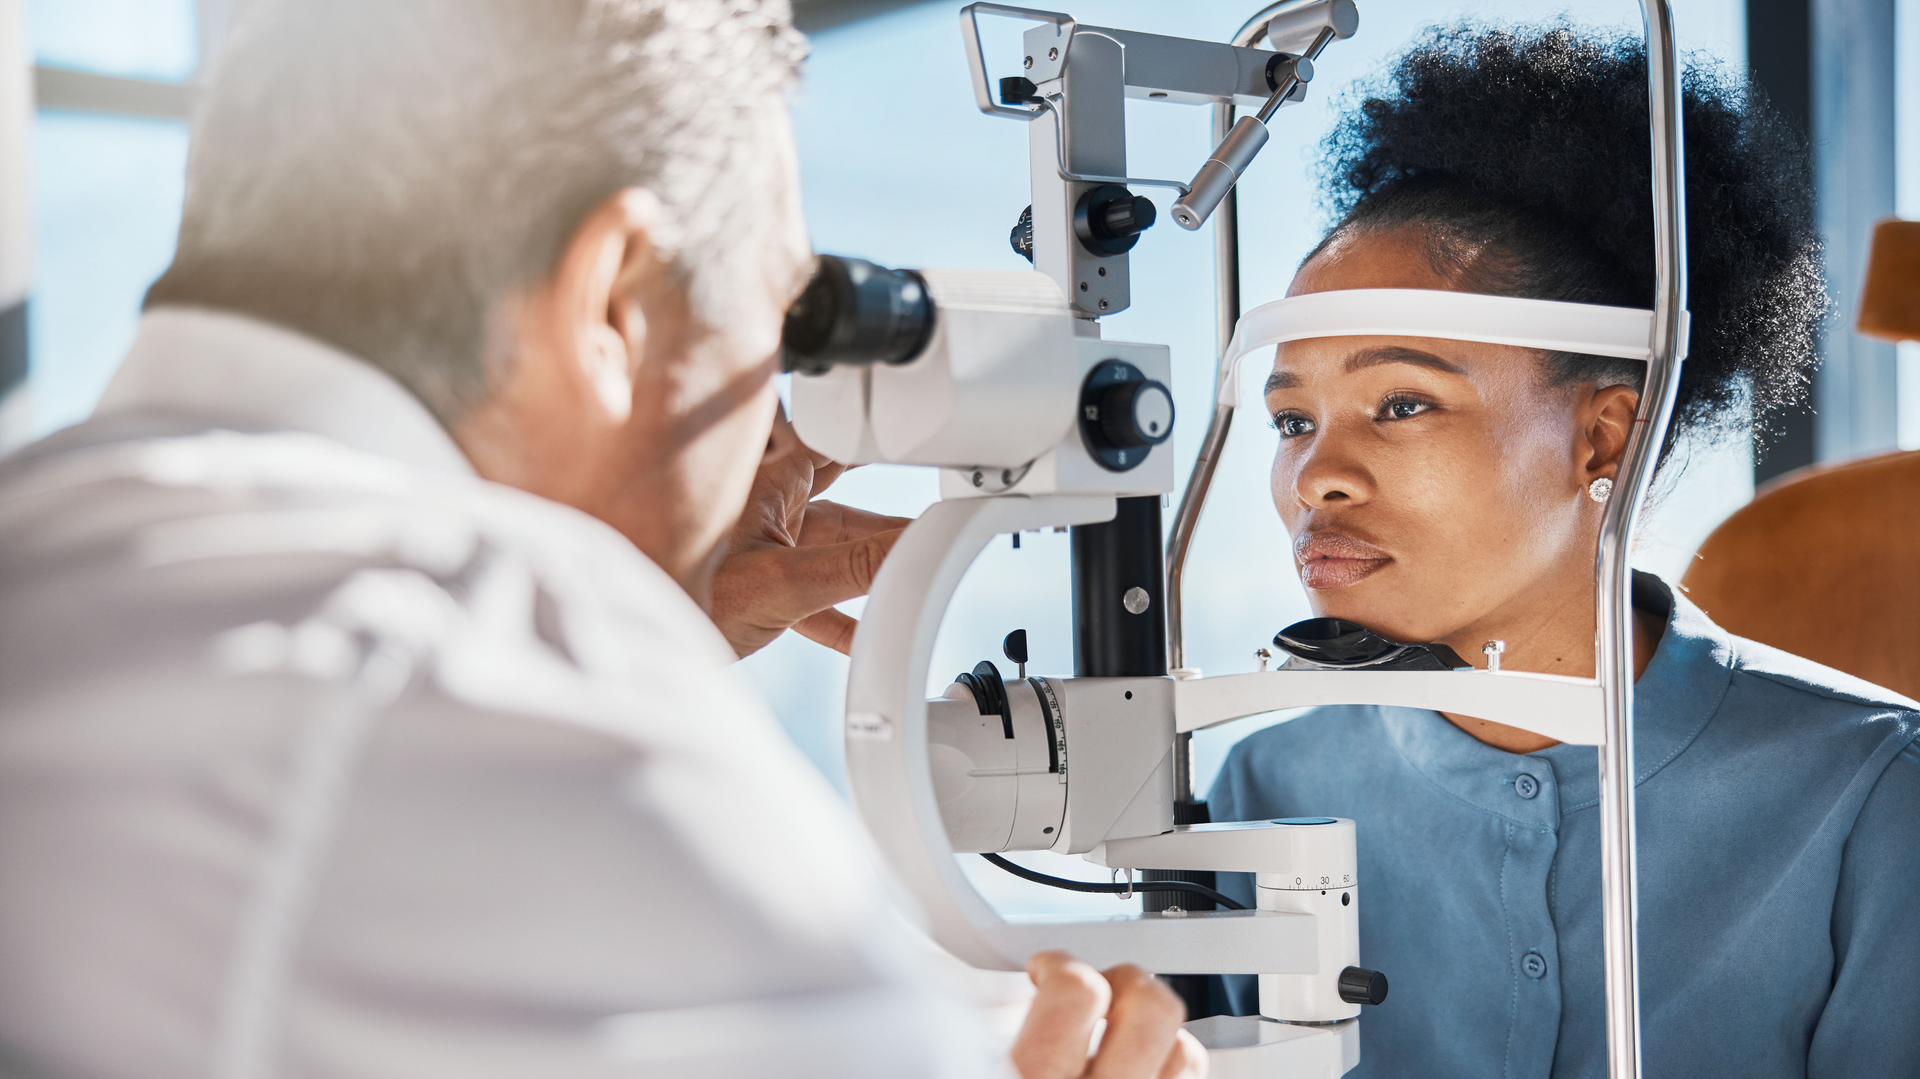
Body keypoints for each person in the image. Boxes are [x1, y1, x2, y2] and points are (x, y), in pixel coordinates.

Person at [0, 1, 1202, 1077]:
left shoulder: (62, 542)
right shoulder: (492, 656)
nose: (766, 426)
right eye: (776, 322)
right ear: (616, 298)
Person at [1206, 26, 1920, 1079]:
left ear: (1603, 435)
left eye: (1401, 403)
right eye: (1291, 421)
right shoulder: (1265, 785)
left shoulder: (1872, 791)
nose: (1317, 476)